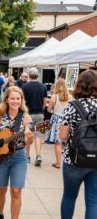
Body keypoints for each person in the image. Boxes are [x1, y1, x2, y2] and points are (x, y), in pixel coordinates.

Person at [0, 86, 33, 219]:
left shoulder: (26, 118)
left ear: (21, 100)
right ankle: (0, 213)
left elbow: (30, 139)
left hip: (19, 157)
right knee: (1, 189)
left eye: (18, 98)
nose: (15, 101)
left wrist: (29, 135)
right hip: (1, 157)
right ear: (6, 99)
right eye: (12, 98)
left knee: (16, 191)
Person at [59, 70, 97, 219]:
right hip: (96, 161)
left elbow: (63, 135)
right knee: (93, 201)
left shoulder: (72, 106)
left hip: (74, 159)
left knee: (69, 196)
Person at [22, 68, 48, 166]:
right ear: (38, 75)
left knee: (28, 135)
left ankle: (28, 157)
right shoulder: (43, 87)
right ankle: (38, 155)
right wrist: (41, 109)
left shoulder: (25, 87)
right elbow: (45, 101)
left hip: (28, 114)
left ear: (29, 75)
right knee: (37, 135)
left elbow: (22, 101)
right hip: (39, 114)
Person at [45, 78, 72, 169]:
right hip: (67, 120)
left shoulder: (54, 96)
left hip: (56, 120)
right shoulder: (70, 97)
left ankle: (58, 162)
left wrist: (52, 108)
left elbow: (49, 110)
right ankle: (66, 161)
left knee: (58, 143)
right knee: (66, 142)